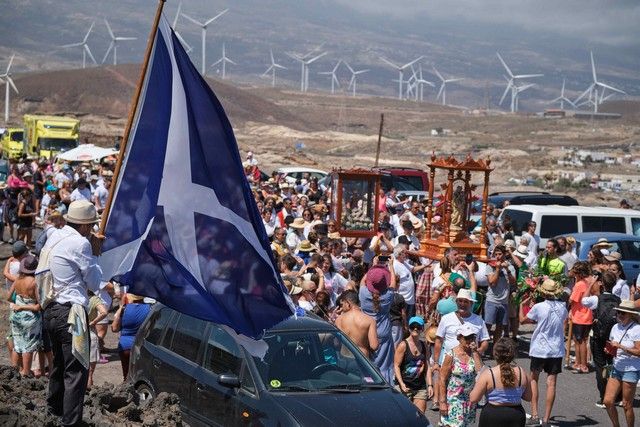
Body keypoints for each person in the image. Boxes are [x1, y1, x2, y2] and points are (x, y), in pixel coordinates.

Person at [42, 199, 103, 426]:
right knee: (76, 371)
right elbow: (94, 283)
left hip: (51, 310)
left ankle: (53, 410)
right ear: (86, 226)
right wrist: (96, 254)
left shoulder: (55, 235)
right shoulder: (81, 244)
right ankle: (70, 422)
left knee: (59, 364)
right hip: (71, 313)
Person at [519, 279, 568, 427]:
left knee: (534, 379)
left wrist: (522, 304)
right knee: (551, 383)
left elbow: (522, 320)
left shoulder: (539, 307)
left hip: (539, 348)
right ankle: (546, 419)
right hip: (556, 349)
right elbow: (563, 323)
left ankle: (534, 414)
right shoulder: (563, 307)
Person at [471, 337, 532, 427]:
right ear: (513, 354)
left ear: (495, 354)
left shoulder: (488, 374)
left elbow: (474, 398)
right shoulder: (521, 372)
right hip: (516, 415)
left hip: (492, 415)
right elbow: (528, 397)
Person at [581, 271, 621, 407]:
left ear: (601, 283)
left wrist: (591, 284)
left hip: (598, 336)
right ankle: (617, 396)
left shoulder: (597, 298)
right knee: (613, 364)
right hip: (613, 338)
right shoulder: (618, 299)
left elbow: (583, 301)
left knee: (600, 365)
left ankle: (604, 396)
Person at [359, 257, 397, 383]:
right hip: (383, 333)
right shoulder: (388, 295)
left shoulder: (363, 293)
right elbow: (393, 284)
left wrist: (373, 267)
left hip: (366, 332)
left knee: (368, 365)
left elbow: (362, 282)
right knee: (384, 366)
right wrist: (391, 266)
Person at [603, 300, 640, 427]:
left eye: (623, 313)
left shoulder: (637, 329)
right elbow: (613, 346)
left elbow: (639, 351)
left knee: (626, 404)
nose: (620, 315)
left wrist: (621, 347)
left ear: (631, 315)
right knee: (608, 401)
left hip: (631, 368)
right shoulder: (615, 327)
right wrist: (609, 349)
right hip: (617, 366)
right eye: (619, 312)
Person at [439, 323, 483, 427]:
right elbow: (442, 379)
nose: (470, 340)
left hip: (469, 400)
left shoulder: (474, 354)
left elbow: (480, 373)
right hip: (454, 399)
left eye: (472, 337)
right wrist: (442, 402)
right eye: (467, 337)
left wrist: (475, 352)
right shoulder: (451, 355)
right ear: (459, 338)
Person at [433, 289, 490, 368]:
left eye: (466, 301)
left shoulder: (479, 320)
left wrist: (479, 350)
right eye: (460, 301)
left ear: (471, 303)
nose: (462, 304)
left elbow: (485, 340)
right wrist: (436, 362)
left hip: (470, 364)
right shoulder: (446, 318)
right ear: (456, 302)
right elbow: (438, 341)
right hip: (448, 362)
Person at [8, 255, 41, 377]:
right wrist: (25, 306)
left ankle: (13, 372)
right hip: (29, 318)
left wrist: (20, 303)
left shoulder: (17, 280)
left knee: (17, 344)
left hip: (16, 317)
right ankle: (26, 372)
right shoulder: (34, 283)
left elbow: (8, 297)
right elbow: (38, 306)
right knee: (28, 346)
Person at [394, 316, 431, 413]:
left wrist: (430, 385)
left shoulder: (424, 345)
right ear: (409, 328)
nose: (415, 329)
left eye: (418, 327)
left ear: (422, 329)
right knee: (405, 415)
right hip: (405, 386)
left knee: (419, 415)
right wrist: (401, 384)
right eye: (413, 326)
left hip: (420, 386)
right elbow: (396, 366)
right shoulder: (403, 345)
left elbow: (427, 366)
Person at [111, 293, 152, 381]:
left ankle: (125, 391)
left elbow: (114, 328)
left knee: (126, 375)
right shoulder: (150, 309)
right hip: (141, 346)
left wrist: (121, 307)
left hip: (125, 346)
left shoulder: (125, 309)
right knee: (141, 376)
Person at [485, 244, 516, 343]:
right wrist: (498, 269)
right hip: (492, 300)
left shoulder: (510, 266)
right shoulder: (490, 266)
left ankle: (495, 349)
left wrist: (507, 270)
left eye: (500, 254)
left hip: (504, 301)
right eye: (496, 254)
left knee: (500, 326)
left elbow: (513, 282)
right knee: (488, 325)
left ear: (504, 254)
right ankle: (482, 347)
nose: (497, 256)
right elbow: (492, 283)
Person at [335, 290, 379, 358]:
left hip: (344, 358)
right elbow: (374, 346)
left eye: (342, 305)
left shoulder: (339, 320)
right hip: (362, 359)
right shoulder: (369, 320)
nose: (341, 308)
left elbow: (337, 343)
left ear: (347, 303)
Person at [569, 261, 593, 373]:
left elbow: (572, 300)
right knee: (580, 340)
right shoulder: (587, 282)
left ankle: (582, 365)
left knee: (580, 341)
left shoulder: (579, 285)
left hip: (580, 316)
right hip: (586, 315)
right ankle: (579, 363)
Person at [87, 291, 108, 389]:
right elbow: (104, 312)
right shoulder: (94, 299)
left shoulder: (76, 297)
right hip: (90, 331)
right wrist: (94, 321)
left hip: (77, 333)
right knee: (90, 372)